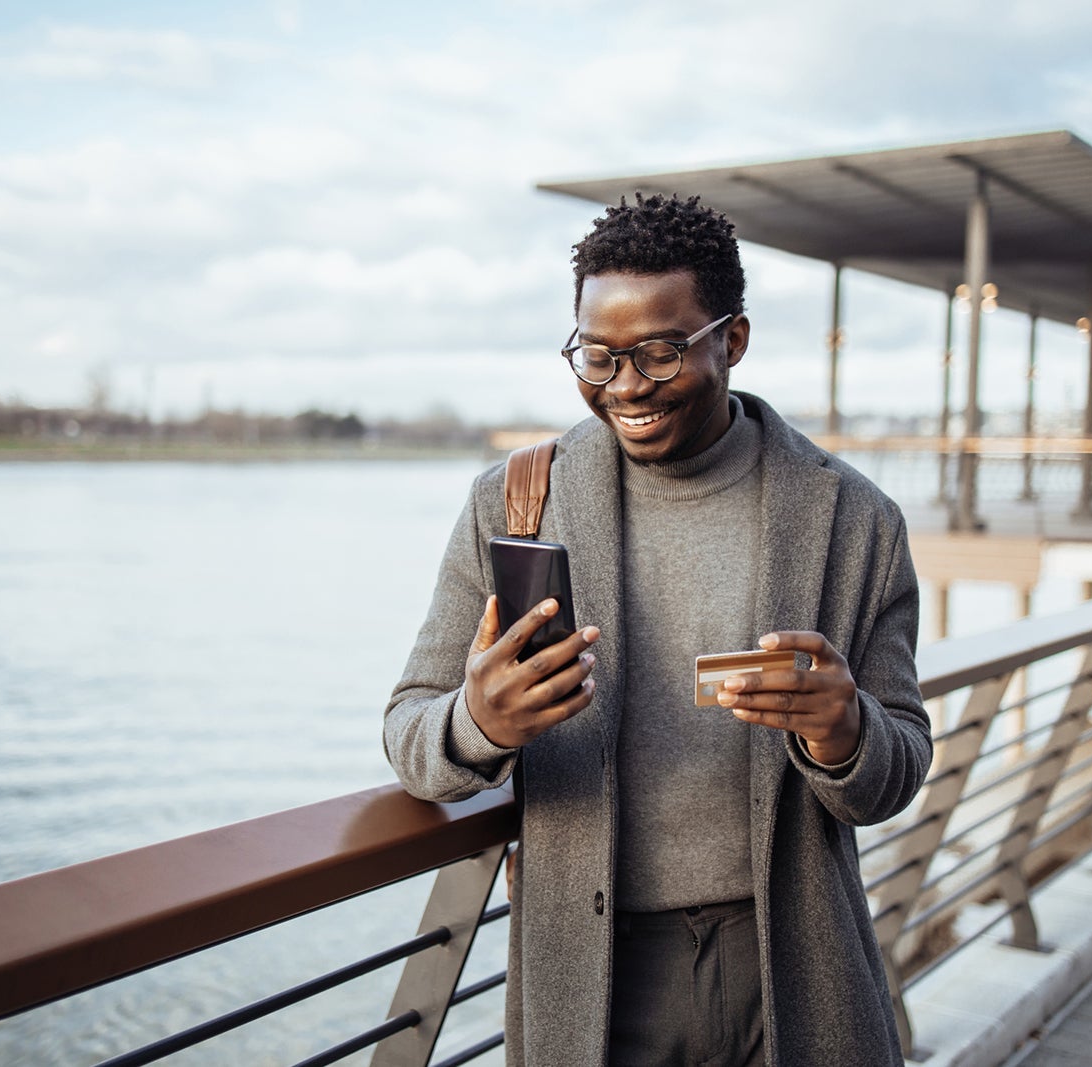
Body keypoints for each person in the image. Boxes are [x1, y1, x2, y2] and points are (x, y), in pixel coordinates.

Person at [384, 193, 931, 1066]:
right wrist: (478, 723)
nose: (626, 386)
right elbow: (408, 734)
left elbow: (898, 769)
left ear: (733, 340)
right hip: (592, 976)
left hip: (791, 961)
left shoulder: (856, 520)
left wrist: (847, 732)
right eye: (597, 356)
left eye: (660, 352)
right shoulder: (514, 502)